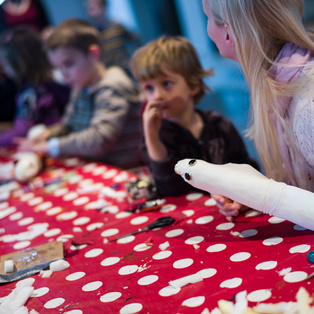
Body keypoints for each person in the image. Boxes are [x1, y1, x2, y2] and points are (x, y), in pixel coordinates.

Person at [177, 0, 314, 225]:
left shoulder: (308, 104)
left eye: (207, 17)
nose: (207, 28)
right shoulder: (282, 83)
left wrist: (263, 193)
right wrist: (248, 192)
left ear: (228, 33)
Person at [130, 35, 258, 197]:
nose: (157, 96)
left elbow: (248, 171)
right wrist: (153, 139)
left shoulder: (219, 126)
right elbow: (169, 188)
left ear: (193, 86)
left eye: (166, 84)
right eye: (149, 88)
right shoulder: (155, 138)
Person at [17, 18, 143, 170]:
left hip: (126, 170)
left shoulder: (112, 86)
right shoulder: (80, 87)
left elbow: (99, 141)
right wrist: (48, 135)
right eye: (58, 68)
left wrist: (50, 146)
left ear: (93, 54)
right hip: (97, 167)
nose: (64, 75)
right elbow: (68, 125)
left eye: (68, 64)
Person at [0, 26, 70, 147]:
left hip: (47, 143)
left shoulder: (30, 93)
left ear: (20, 63)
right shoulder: (50, 83)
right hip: (57, 140)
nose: (4, 69)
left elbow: (20, 132)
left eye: (5, 63)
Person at [85, 0, 140, 73]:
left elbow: (136, 41)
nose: (91, 12)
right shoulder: (91, 33)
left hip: (125, 70)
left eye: (93, 8)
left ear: (104, 7)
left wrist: (135, 61)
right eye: (89, 9)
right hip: (108, 73)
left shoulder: (117, 26)